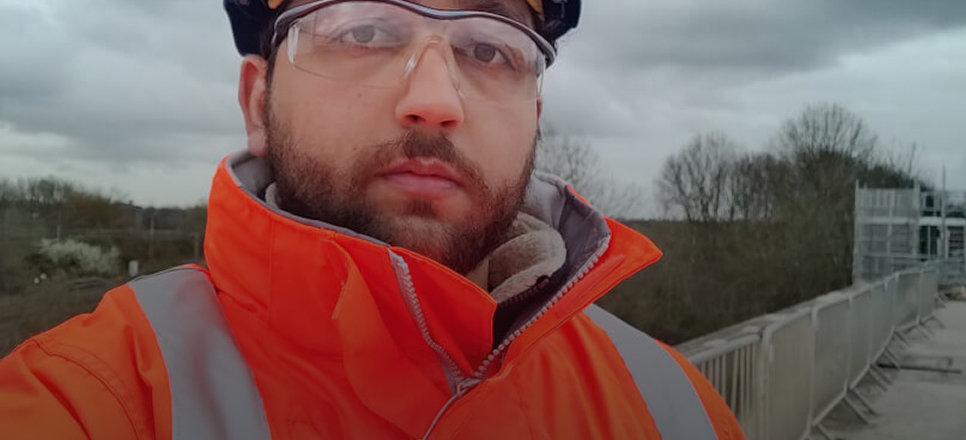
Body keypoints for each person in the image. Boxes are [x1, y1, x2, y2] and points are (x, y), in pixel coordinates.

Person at [0, 0, 745, 438]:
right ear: (258, 103)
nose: (435, 100)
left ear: (536, 114)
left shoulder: (673, 407)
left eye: (489, 48)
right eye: (362, 31)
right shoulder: (88, 402)